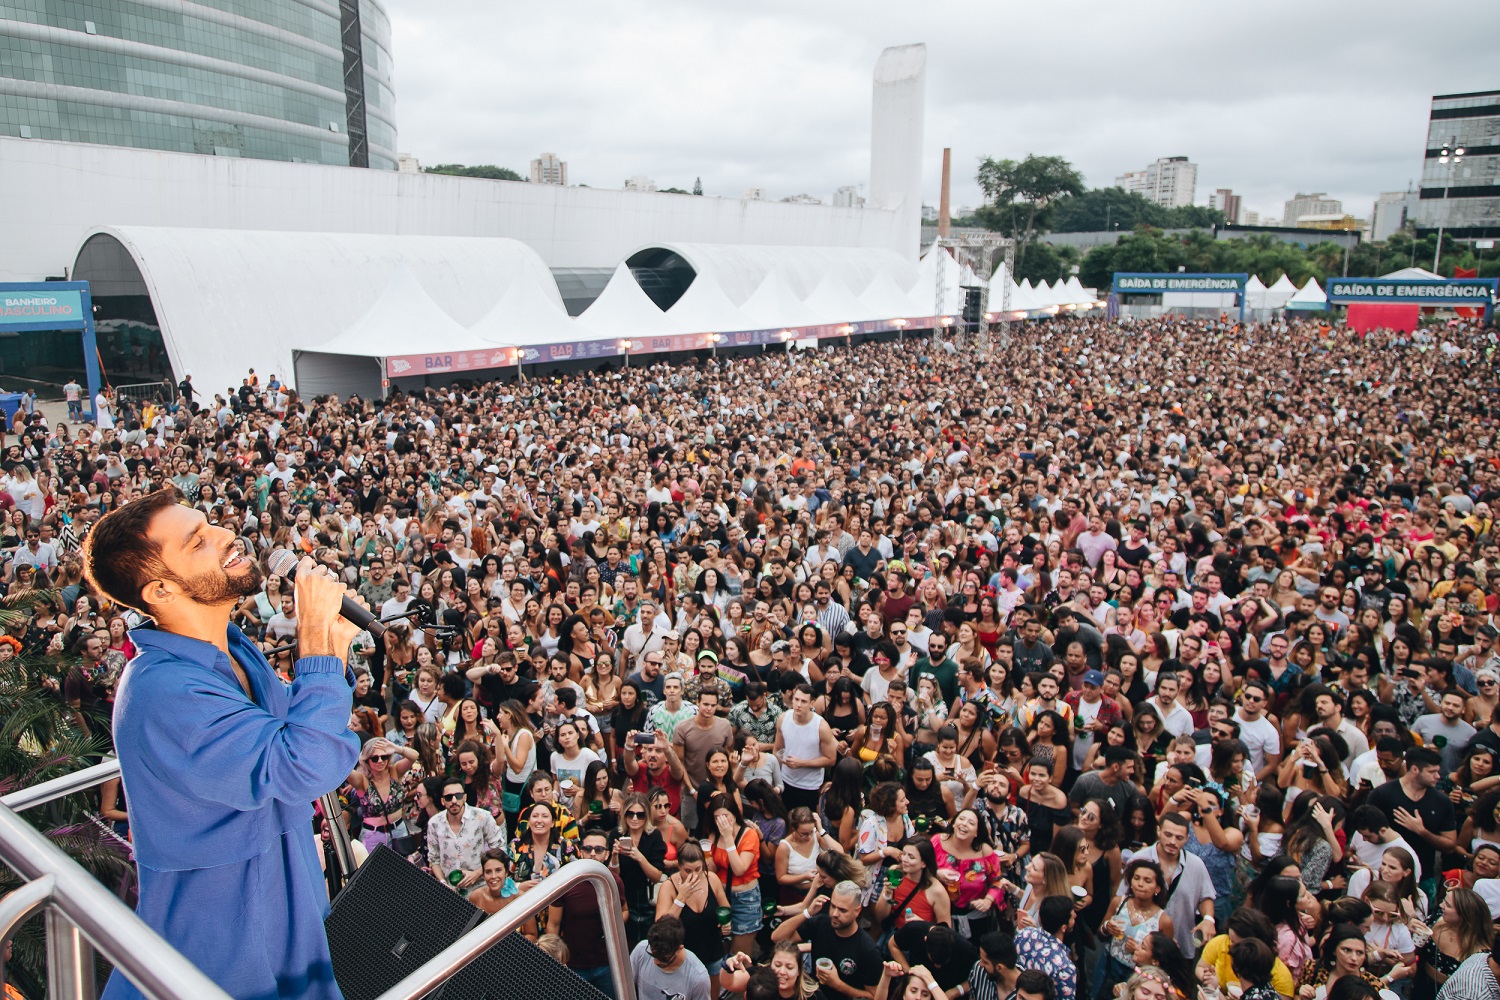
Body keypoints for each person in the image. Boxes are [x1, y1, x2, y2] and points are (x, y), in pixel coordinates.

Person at [83, 489, 362, 1000]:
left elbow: (291, 749)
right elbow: (306, 763)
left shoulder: (236, 647)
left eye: (209, 524)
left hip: (292, 928)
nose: (224, 535)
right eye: (197, 542)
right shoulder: (160, 691)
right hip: (220, 954)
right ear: (161, 591)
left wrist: (330, 651)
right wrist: (315, 640)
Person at [549, 830, 629, 999]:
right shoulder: (566, 880)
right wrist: (553, 961)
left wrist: (611, 927)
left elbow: (624, 911)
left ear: (607, 853)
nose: (593, 853)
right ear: (581, 851)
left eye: (599, 849)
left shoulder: (614, 881)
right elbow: (553, 924)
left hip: (607, 964)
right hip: (573, 964)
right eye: (588, 848)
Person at [772, 881, 884, 1000]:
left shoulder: (868, 950)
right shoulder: (821, 924)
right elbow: (777, 937)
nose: (835, 914)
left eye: (842, 910)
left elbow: (875, 997)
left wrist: (838, 985)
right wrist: (807, 913)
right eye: (833, 906)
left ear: (857, 911)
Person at [428, 777, 506, 895]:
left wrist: (477, 873)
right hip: (450, 891)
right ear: (443, 801)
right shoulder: (434, 823)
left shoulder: (482, 817)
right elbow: (434, 858)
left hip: (480, 887)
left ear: (464, 797)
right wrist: (443, 883)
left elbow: (500, 849)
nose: (454, 800)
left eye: (458, 796)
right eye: (449, 797)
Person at [631, 916, 712, 1000]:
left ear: (679, 948)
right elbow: (625, 985)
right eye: (652, 954)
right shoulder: (641, 950)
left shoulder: (698, 978)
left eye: (664, 958)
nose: (656, 962)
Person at [1014, 896, 1076, 1000]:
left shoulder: (1024, 934)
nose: (1075, 916)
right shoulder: (1064, 967)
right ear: (1064, 927)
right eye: (1072, 917)